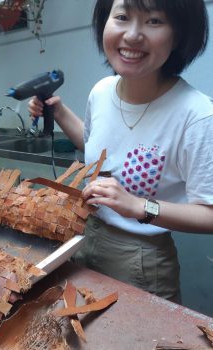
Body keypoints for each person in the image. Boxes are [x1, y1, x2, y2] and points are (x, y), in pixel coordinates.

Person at [28, 0, 213, 301]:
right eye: (123, 17)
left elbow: (210, 214)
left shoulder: (197, 114)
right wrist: (59, 111)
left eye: (154, 21)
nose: (133, 35)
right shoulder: (101, 91)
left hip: (142, 258)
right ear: (105, 22)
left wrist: (139, 206)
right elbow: (96, 149)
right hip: (86, 235)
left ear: (178, 35)